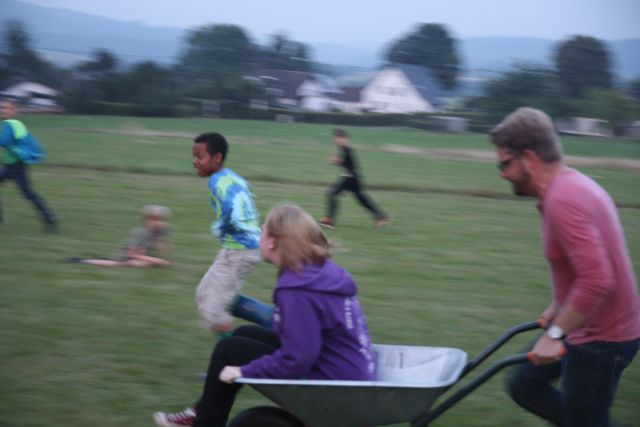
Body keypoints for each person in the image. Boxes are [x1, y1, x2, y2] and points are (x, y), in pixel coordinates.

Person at [153, 204, 375, 427]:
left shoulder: (296, 289)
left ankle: (205, 422)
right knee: (244, 334)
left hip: (331, 381)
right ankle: (202, 412)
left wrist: (243, 370)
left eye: (263, 230)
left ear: (272, 242)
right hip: (345, 369)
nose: (259, 236)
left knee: (228, 350)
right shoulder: (317, 270)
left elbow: (298, 358)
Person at [490, 107, 640, 427]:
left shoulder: (564, 200)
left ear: (529, 158)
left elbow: (597, 279)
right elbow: (582, 267)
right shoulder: (571, 186)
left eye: (504, 164)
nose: (502, 174)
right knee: (524, 385)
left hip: (603, 338)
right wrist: (558, 305)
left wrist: (556, 333)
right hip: (588, 324)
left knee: (586, 419)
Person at [190, 132, 266, 335]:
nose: (195, 161)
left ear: (217, 158)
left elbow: (234, 210)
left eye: (200, 156)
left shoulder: (217, 181)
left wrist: (222, 226)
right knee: (204, 294)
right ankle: (271, 318)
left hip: (240, 251)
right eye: (194, 156)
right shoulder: (228, 176)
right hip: (236, 248)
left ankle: (233, 352)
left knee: (214, 312)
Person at [0, 98, 58, 231]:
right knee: (29, 193)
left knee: (29, 194)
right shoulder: (15, 124)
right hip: (10, 165)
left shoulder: (10, 123)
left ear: (14, 111)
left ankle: (50, 218)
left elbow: (3, 141)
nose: (4, 110)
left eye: (8, 108)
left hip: (16, 167)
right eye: (3, 108)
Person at [318, 129, 389, 229]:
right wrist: (337, 162)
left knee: (332, 194)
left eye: (338, 138)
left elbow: (345, 162)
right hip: (352, 178)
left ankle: (329, 220)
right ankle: (381, 217)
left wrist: (336, 161)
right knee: (362, 200)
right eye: (335, 138)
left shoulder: (347, 150)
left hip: (350, 178)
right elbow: (347, 163)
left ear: (345, 139)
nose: (335, 140)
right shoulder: (344, 149)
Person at [64, 205, 173, 267]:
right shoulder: (142, 233)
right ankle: (82, 261)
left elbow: (164, 244)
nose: (158, 223)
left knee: (150, 263)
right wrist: (156, 260)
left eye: (161, 220)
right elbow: (133, 253)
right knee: (118, 264)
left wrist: (166, 258)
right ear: (145, 221)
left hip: (143, 252)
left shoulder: (164, 229)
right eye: (153, 220)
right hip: (126, 254)